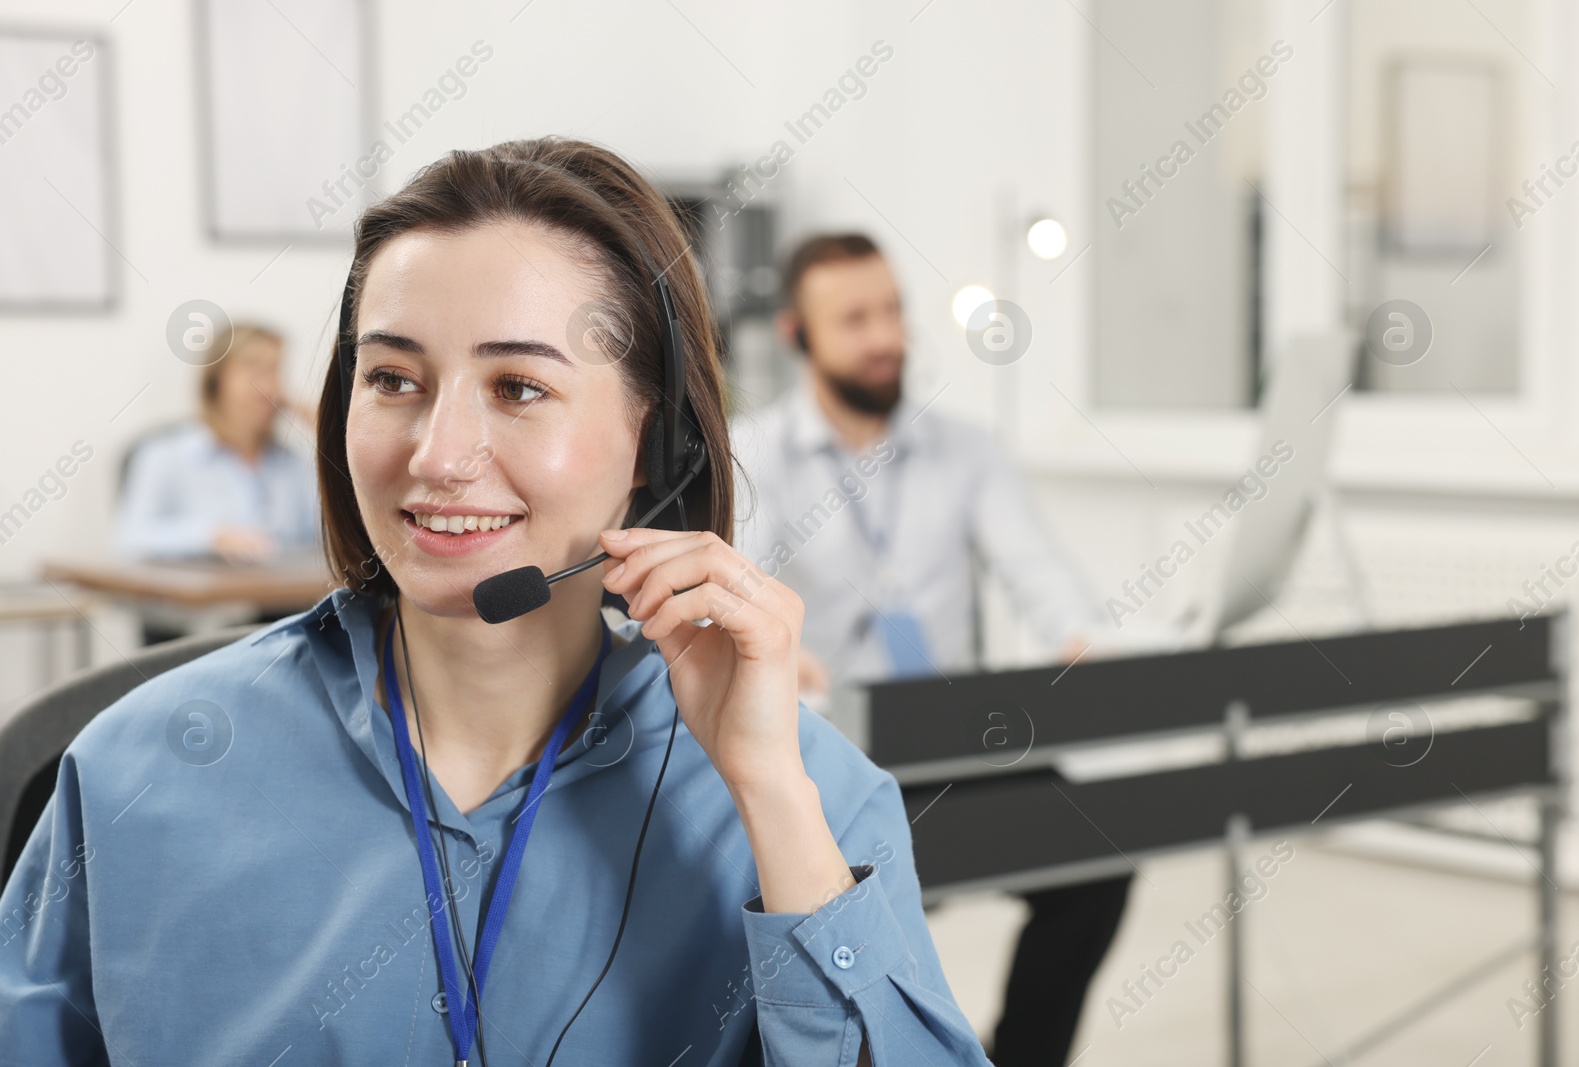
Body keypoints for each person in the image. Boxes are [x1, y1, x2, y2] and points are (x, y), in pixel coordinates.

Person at [0, 139, 992, 1065]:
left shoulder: (816, 796)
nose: (436, 455)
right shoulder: (135, 770)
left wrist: (770, 792)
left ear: (658, 441)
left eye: (518, 387)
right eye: (393, 378)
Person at [731, 233, 1130, 1066]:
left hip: (958, 742)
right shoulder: (757, 453)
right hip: (833, 757)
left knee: (1099, 857)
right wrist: (775, 653)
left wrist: (1078, 633)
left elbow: (1036, 567)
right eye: (854, 319)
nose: (885, 337)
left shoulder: (965, 450)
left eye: (891, 312)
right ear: (798, 338)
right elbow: (735, 580)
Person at [115, 322, 321, 565]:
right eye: (253, 369)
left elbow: (329, 541)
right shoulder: (164, 455)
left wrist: (331, 438)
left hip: (284, 599)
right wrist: (211, 537)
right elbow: (129, 538)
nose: (268, 387)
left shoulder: (293, 462)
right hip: (204, 601)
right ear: (216, 380)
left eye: (274, 370)